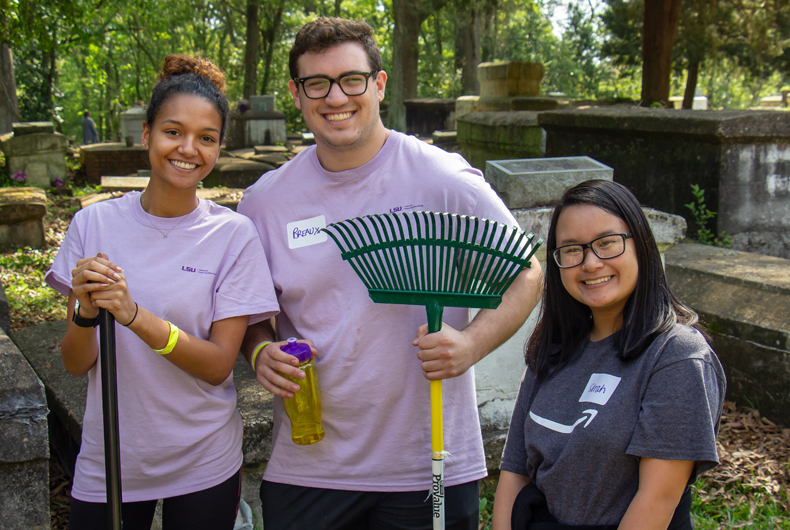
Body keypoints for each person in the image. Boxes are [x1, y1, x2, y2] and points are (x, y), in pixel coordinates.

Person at [237, 16, 542, 530]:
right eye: (317, 83)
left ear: (378, 84)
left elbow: (526, 272)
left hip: (427, 463)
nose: (336, 97)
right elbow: (250, 312)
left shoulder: (443, 179)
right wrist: (259, 350)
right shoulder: (265, 201)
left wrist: (470, 345)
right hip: (310, 466)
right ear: (296, 93)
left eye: (351, 79)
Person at [46, 55, 279, 530]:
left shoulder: (234, 236)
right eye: (174, 131)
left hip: (204, 461)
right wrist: (87, 314)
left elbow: (217, 366)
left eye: (206, 138)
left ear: (218, 149)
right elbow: (74, 363)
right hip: (111, 460)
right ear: (146, 134)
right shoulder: (94, 225)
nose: (188, 149)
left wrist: (134, 315)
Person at [492, 180, 726, 530]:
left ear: (641, 246)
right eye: (571, 250)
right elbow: (514, 471)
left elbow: (657, 499)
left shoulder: (676, 356)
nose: (590, 263)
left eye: (607, 243)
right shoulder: (551, 350)